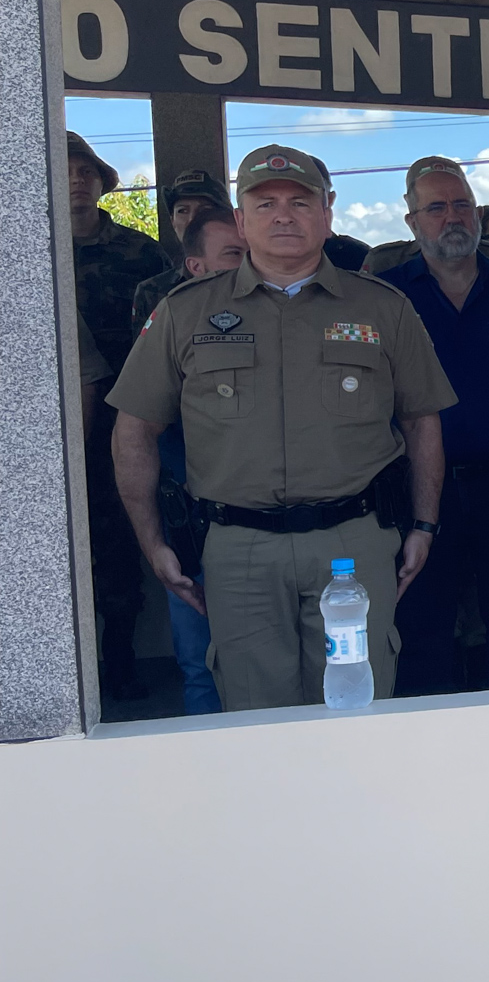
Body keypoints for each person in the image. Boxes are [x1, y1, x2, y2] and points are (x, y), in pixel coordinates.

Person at [107, 144, 455, 712]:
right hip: (238, 549)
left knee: (356, 713)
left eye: (300, 201)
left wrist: (423, 522)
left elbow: (422, 420)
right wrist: (152, 542)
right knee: (256, 721)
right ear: (241, 219)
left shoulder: (382, 308)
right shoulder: (184, 311)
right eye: (265, 203)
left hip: (354, 544)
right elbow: (134, 429)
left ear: (327, 212)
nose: (284, 216)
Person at [380, 157, 489, 695]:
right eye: (436, 208)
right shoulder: (385, 297)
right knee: (421, 633)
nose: (451, 217)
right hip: (416, 492)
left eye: (461, 205)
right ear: (412, 222)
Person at [69, 131, 171, 700]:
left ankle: (121, 662)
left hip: (122, 419)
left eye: (86, 171)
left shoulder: (141, 253)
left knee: (117, 543)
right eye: (65, 170)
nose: (76, 180)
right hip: (41, 427)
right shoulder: (23, 250)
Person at [153, 208, 248, 716]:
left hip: (280, 532)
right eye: (234, 254)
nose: (249, 263)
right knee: (202, 664)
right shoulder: (172, 318)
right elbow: (138, 432)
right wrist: (156, 542)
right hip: (195, 521)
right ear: (196, 267)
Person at [132, 168, 232, 325]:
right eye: (182, 211)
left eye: (205, 210)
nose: (192, 219)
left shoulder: (251, 278)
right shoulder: (152, 291)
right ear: (172, 221)